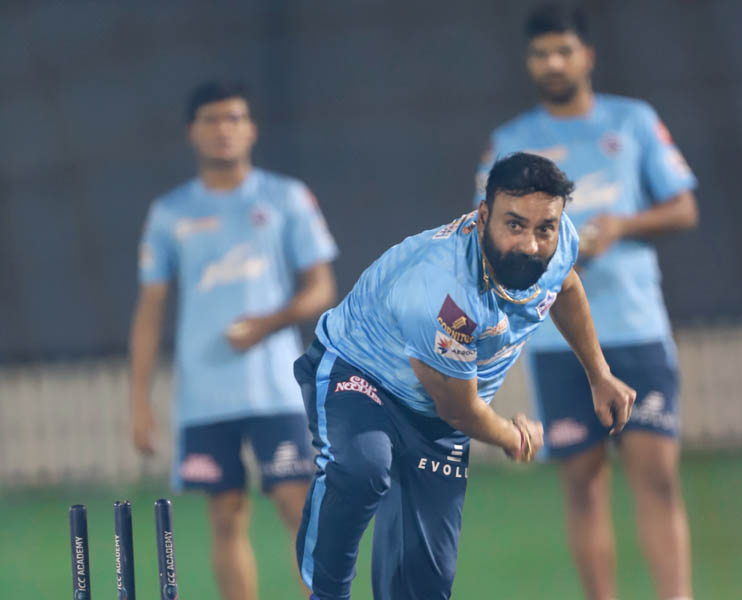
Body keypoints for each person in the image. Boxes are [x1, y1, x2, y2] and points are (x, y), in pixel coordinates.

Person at [295, 152, 636, 600]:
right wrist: (512, 436)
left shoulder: (557, 243)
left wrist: (599, 374)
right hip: (359, 372)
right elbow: (458, 408)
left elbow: (564, 285)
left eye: (543, 229)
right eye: (514, 225)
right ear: (482, 216)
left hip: (435, 414)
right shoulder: (445, 291)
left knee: (423, 586)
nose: (531, 245)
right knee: (363, 468)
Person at [474, 6, 699, 600]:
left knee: (656, 478)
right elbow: (481, 234)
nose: (553, 63)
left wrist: (621, 227)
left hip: (635, 326)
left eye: (564, 51)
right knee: (583, 485)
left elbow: (683, 207)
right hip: (555, 339)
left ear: (587, 56)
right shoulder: (511, 142)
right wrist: (542, 247)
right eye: (541, 54)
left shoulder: (631, 121)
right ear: (529, 63)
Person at [129, 81, 338, 600]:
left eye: (234, 118)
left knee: (299, 508)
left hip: (275, 388)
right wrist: (139, 401)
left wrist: (268, 323)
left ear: (252, 129)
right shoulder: (170, 212)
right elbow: (150, 310)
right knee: (225, 518)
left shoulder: (284, 196)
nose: (224, 129)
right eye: (212, 120)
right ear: (191, 132)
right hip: (205, 395)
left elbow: (321, 288)